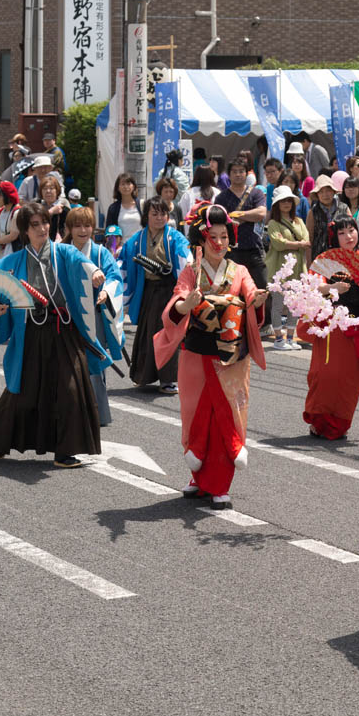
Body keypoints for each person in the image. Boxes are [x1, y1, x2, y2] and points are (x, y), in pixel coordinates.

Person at [0, 201, 110, 469]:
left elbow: (82, 261)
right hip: (32, 333)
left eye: (45, 222)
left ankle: (64, 451)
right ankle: (0, 439)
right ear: (24, 230)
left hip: (64, 330)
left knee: (71, 388)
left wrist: (95, 272)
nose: (42, 228)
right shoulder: (14, 260)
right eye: (35, 224)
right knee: (24, 389)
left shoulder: (63, 252)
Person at [154, 203, 268, 510]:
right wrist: (186, 304)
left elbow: (251, 293)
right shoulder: (191, 272)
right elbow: (176, 304)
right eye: (212, 237)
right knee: (193, 416)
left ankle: (219, 485)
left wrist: (256, 300)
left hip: (230, 357)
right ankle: (198, 478)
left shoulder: (240, 271)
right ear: (201, 240)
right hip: (197, 354)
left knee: (226, 416)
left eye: (223, 236)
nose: (218, 243)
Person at [302, 215, 359, 439]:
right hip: (330, 326)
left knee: (350, 380)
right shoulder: (325, 259)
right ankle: (318, 420)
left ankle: (341, 423)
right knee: (322, 375)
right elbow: (312, 286)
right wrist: (331, 288)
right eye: (342, 233)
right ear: (334, 237)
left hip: (355, 328)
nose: (348, 236)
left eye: (352, 230)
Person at [120, 196, 191, 394]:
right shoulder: (137, 239)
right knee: (147, 333)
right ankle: (144, 375)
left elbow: (186, 257)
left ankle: (169, 379)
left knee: (169, 333)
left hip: (170, 291)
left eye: (163, 213)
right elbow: (124, 263)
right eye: (154, 213)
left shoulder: (175, 237)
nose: (159, 218)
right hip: (148, 292)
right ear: (146, 216)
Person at [63, 205, 124, 427]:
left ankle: (98, 414)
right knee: (67, 364)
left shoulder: (100, 252)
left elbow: (115, 277)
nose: (82, 230)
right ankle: (72, 413)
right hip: (67, 316)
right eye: (77, 225)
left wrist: (106, 291)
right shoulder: (61, 252)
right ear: (69, 228)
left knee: (95, 363)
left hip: (94, 316)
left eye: (87, 225)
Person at [215, 158, 271, 336]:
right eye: (235, 171)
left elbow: (261, 213)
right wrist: (243, 217)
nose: (238, 174)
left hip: (254, 248)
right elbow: (219, 219)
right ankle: (234, 321)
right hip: (231, 250)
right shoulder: (221, 196)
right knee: (232, 288)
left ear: (247, 173)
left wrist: (239, 214)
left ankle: (264, 324)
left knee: (261, 285)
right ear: (229, 174)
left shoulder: (255, 193)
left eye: (241, 171)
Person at [264, 186, 308, 350]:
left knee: (294, 305)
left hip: (297, 268)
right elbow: (278, 244)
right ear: (276, 204)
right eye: (283, 201)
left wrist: (292, 244)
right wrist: (298, 244)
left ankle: (290, 338)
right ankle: (278, 339)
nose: (287, 203)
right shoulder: (273, 223)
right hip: (279, 270)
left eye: (289, 200)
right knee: (277, 304)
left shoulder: (299, 221)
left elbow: (306, 240)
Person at [307, 175, 348, 259]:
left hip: (341, 254)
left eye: (328, 191)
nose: (325, 194)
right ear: (317, 194)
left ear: (333, 191)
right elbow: (309, 238)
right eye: (321, 192)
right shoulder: (313, 212)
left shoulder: (344, 208)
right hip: (320, 256)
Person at [0, 180, 22, 260]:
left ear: (7, 196)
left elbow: (13, 236)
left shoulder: (17, 212)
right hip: (1, 253)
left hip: (14, 253)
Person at [105, 172, 142, 237]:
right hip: (122, 246)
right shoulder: (113, 208)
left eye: (128, 184)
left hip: (140, 245)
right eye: (122, 184)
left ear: (133, 186)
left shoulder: (142, 205)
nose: (125, 187)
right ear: (118, 188)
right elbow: (110, 232)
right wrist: (112, 247)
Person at [39, 175, 67, 241]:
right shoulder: (37, 206)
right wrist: (51, 211)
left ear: (57, 191)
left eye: (51, 188)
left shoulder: (64, 209)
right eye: (45, 189)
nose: (48, 191)